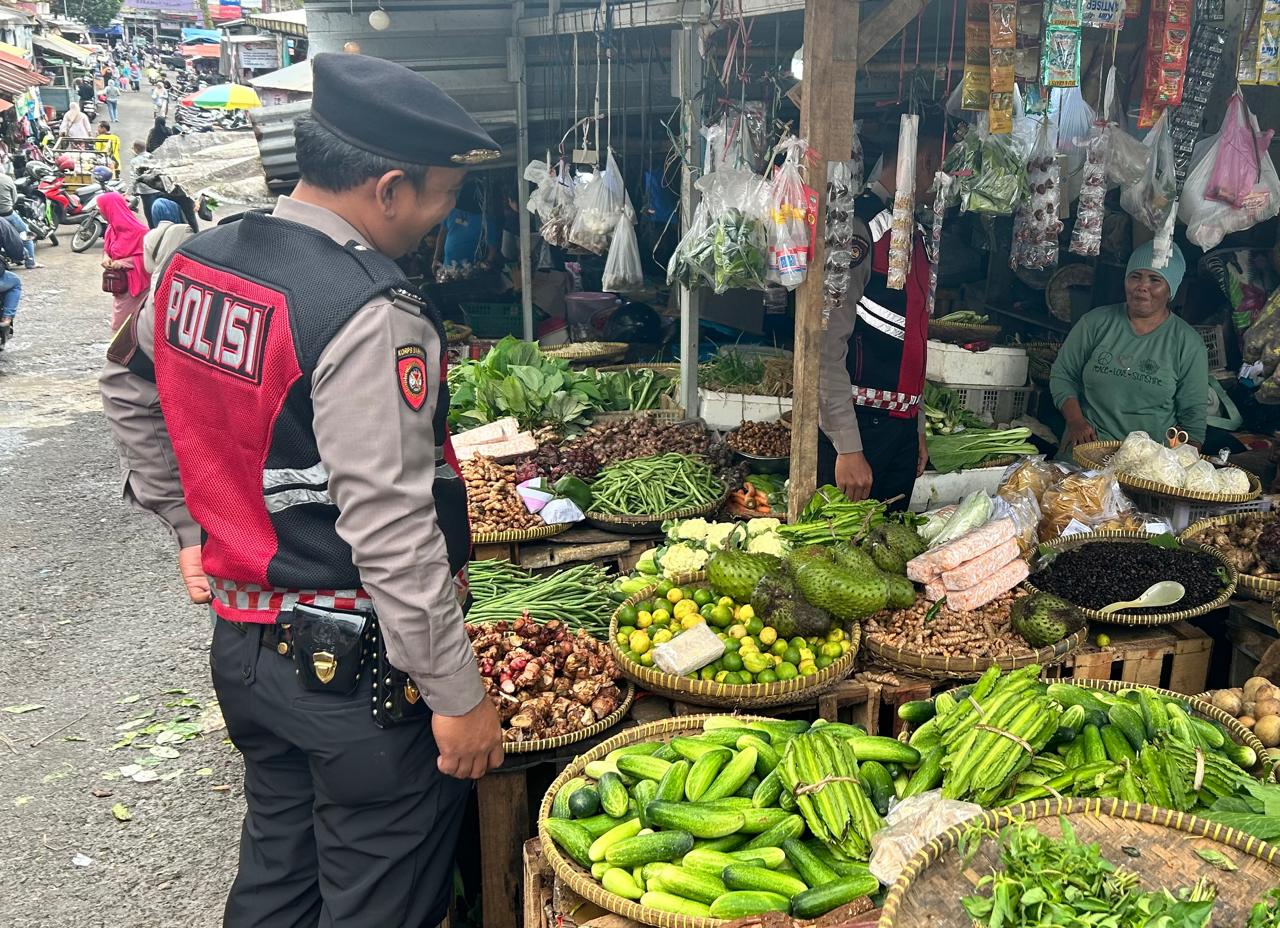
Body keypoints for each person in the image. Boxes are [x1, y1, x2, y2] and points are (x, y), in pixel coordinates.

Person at [99, 52, 504, 928]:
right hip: (354, 675)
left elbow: (126, 383)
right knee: (378, 896)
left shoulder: (198, 263)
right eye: (442, 198)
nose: (441, 220)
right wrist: (458, 698)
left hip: (246, 651)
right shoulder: (365, 309)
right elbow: (390, 526)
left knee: (279, 878)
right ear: (391, 188)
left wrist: (187, 525)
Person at [817, 131, 942, 509]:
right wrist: (847, 446)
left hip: (898, 431)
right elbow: (825, 344)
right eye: (944, 168)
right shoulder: (859, 227)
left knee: (889, 551)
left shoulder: (913, 235)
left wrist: (914, 426)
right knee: (839, 549)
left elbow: (912, 340)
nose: (946, 181)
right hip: (861, 431)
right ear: (924, 163)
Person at [1050, 241, 1208, 449]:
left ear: (1171, 289)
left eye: (1155, 280)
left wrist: (1183, 464)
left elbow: (1193, 415)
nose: (1142, 286)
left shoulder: (1187, 343)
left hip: (1146, 465)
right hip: (1086, 452)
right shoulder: (1096, 322)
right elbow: (1063, 374)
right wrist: (1076, 422)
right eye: (1135, 277)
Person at [99, 191, 150, 331]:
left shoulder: (141, 232)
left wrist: (123, 262)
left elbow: (147, 259)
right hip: (120, 284)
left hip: (136, 284)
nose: (100, 211)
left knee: (122, 325)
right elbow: (107, 249)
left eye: (101, 208)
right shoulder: (111, 229)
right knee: (123, 322)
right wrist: (106, 258)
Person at [0, 170, 37, 268]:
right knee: (27, 235)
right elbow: (14, 199)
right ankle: (30, 263)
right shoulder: (6, 179)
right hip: (8, 214)